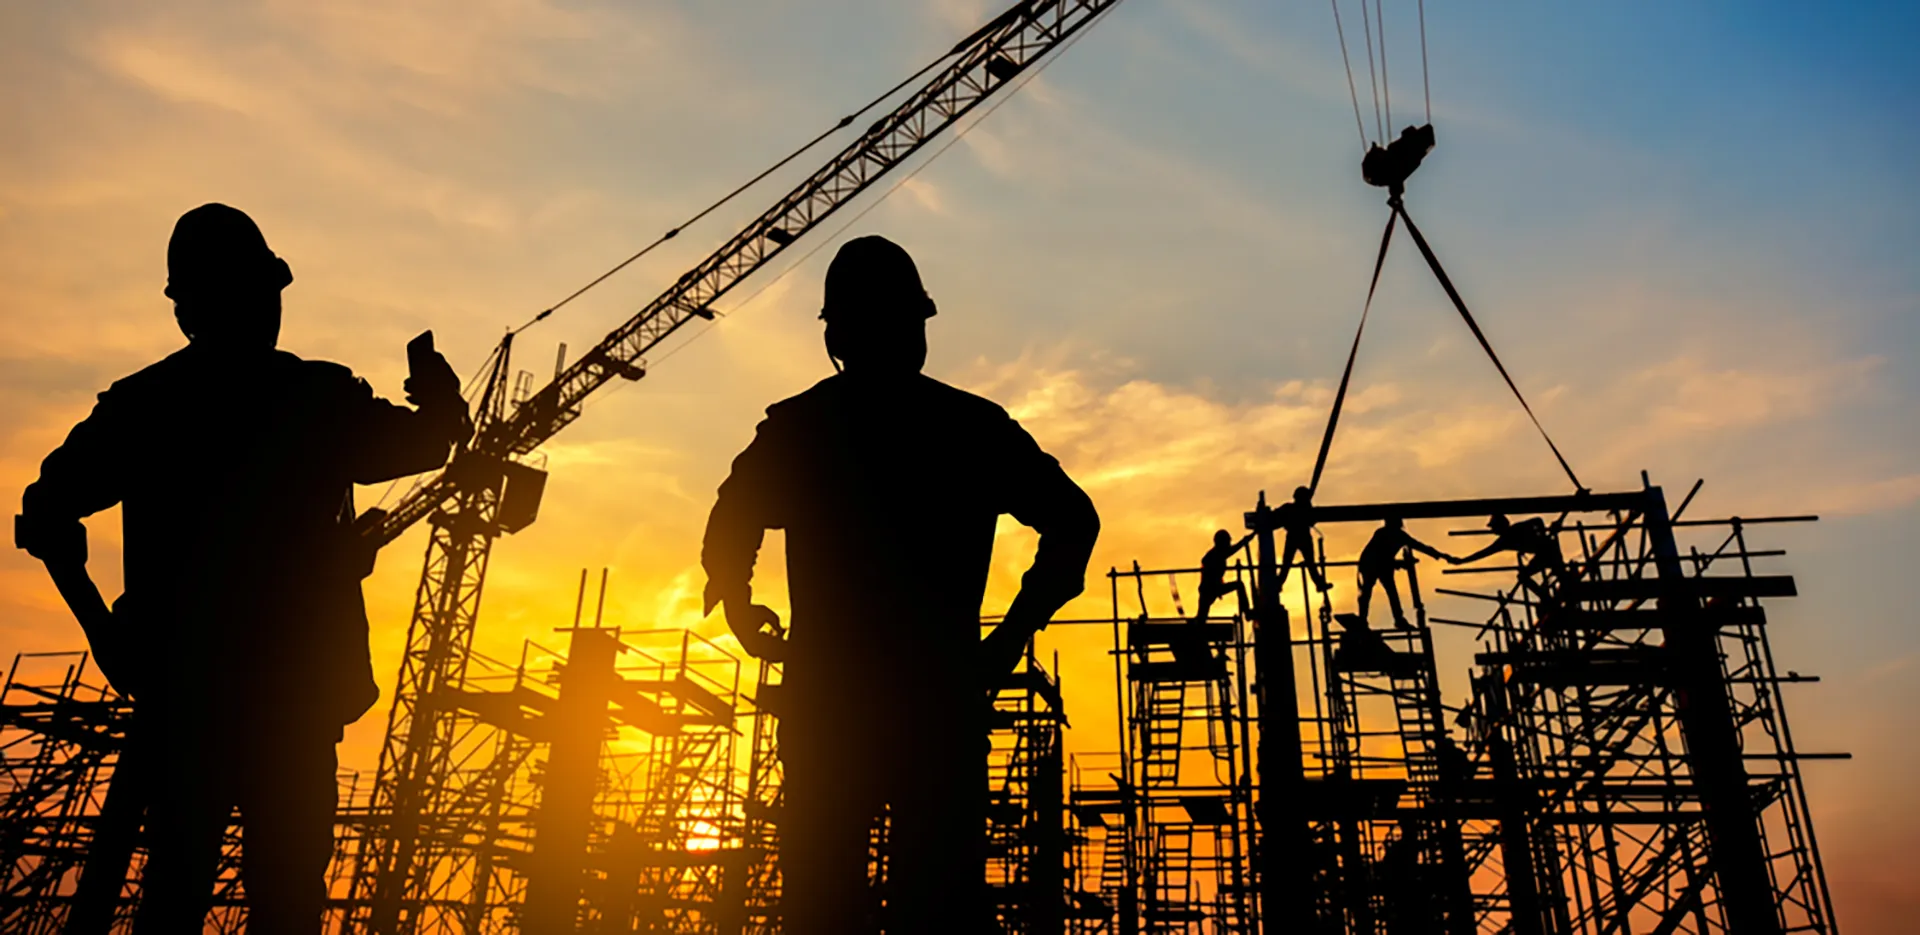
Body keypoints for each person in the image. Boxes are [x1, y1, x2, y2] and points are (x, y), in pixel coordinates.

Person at [14, 204, 469, 934]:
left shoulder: (146, 405)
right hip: (289, 706)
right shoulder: (314, 400)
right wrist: (443, 400)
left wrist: (106, 633)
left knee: (175, 892)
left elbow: (46, 515)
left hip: (186, 704)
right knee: (284, 900)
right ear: (256, 296)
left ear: (185, 305)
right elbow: (428, 442)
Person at [700, 235, 1098, 934]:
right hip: (936, 707)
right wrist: (1008, 638)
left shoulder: (803, 429)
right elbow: (1074, 521)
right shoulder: (970, 428)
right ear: (915, 327)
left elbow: (730, 519)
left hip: (831, 710)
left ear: (838, 333)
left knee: (821, 907)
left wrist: (737, 603)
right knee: (936, 907)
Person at [1355, 517, 1452, 630]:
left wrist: (1440, 555)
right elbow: (1379, 556)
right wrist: (1399, 564)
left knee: (1389, 592)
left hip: (1383, 566)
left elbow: (1420, 546)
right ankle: (1364, 619)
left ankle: (1397, 619)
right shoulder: (1383, 534)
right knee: (1369, 591)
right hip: (1370, 564)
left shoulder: (1398, 536)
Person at [1450, 513, 1566, 602]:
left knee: (1560, 578)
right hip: (1544, 553)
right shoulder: (1504, 540)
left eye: (1493, 527)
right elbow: (1483, 553)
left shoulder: (1515, 530)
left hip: (1548, 550)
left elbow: (1538, 520)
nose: (1492, 530)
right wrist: (1462, 561)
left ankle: (1549, 598)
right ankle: (1548, 598)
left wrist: (1541, 534)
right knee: (1526, 576)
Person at [1274, 485, 1332, 594]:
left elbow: (1277, 513)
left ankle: (1278, 584)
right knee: (1308, 564)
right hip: (1302, 537)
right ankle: (1319, 584)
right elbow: (1311, 521)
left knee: (1288, 564)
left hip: (1294, 537)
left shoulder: (1289, 508)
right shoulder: (1299, 509)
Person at [1190, 529, 1251, 624]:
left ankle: (1247, 612)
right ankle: (1247, 612)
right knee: (1239, 585)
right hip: (1210, 589)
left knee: (1201, 618)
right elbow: (1233, 550)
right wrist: (1244, 541)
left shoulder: (1215, 554)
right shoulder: (1217, 553)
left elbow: (1211, 569)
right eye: (1228, 542)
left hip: (1210, 589)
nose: (1229, 544)